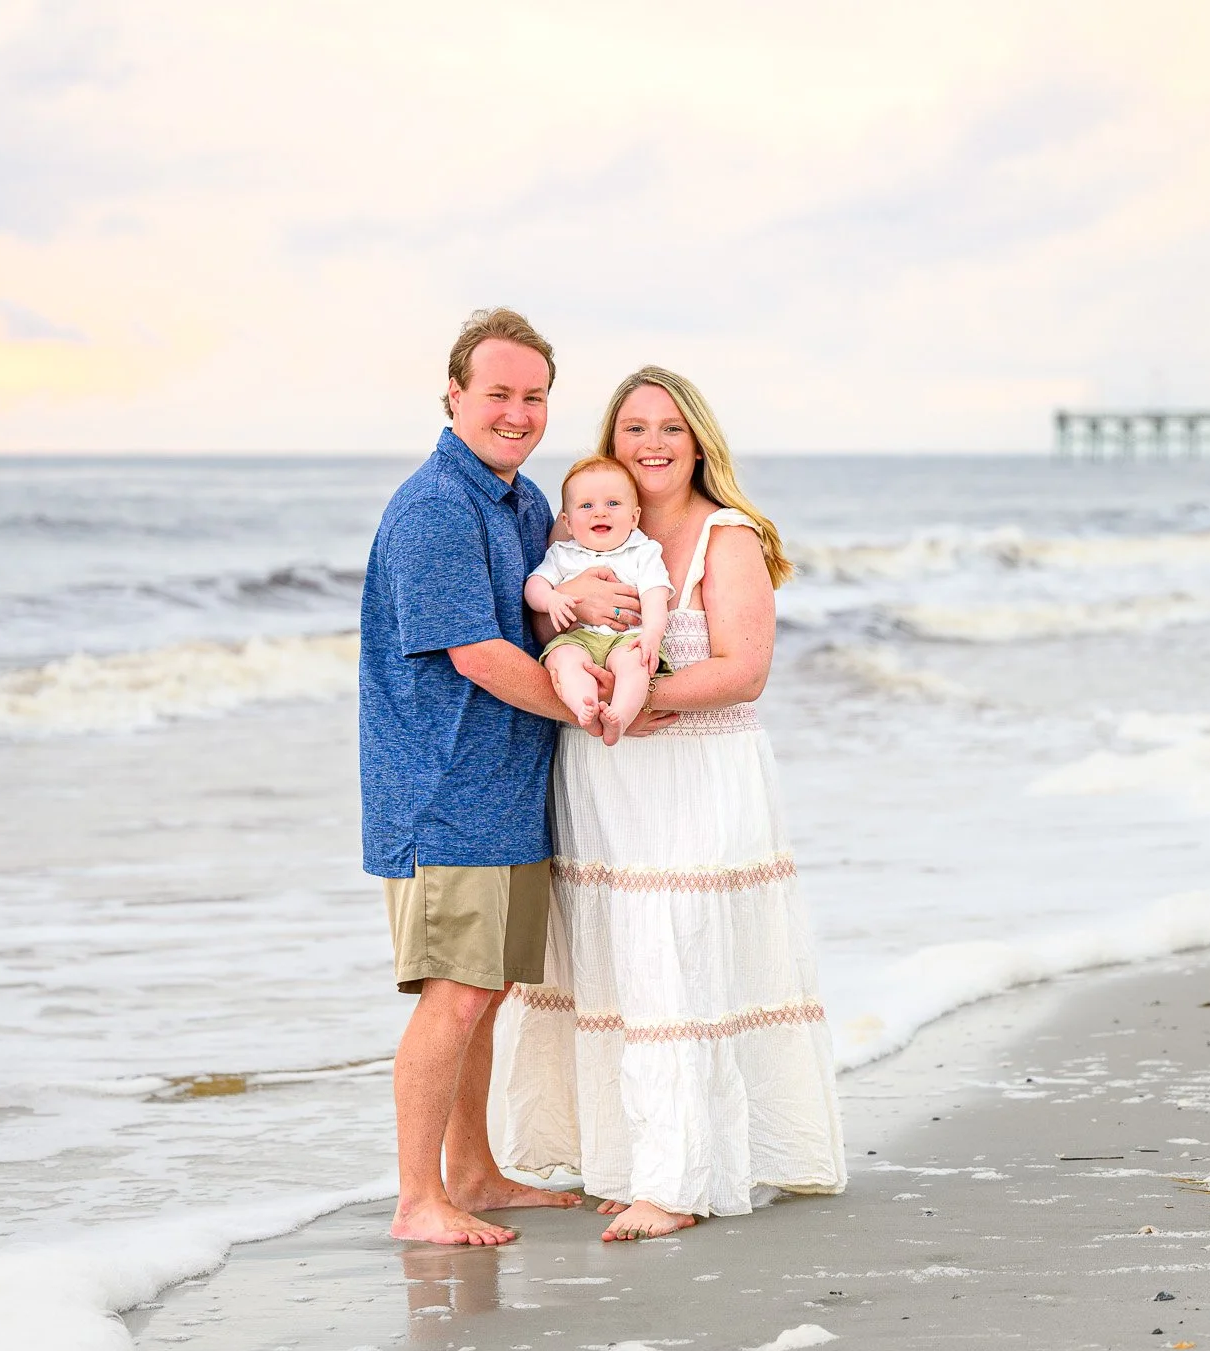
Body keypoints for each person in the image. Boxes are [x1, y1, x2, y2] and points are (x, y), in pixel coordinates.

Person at [497, 365, 848, 1241]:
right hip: (605, 772)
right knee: (617, 963)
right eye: (634, 428)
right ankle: (632, 1162)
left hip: (694, 767)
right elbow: (546, 631)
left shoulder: (726, 537)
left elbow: (746, 667)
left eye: (669, 428)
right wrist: (564, 616)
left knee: (679, 958)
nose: (651, 444)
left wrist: (651, 698)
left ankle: (682, 1177)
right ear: (609, 445)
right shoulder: (585, 531)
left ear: (698, 442)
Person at [357, 308, 632, 1246]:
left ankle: (472, 1169)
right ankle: (416, 1199)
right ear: (453, 395)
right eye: (497, 394)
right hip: (443, 793)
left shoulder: (517, 501)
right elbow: (476, 654)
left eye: (533, 397)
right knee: (456, 991)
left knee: (489, 989)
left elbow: (541, 607)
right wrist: (595, 712)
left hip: (509, 787)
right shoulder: (437, 506)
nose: (516, 413)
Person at [525, 456, 673, 744]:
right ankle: (585, 707)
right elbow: (534, 585)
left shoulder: (644, 552)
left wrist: (652, 635)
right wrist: (552, 599)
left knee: (636, 664)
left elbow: (656, 595)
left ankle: (620, 716)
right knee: (563, 659)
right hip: (578, 638)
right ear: (567, 522)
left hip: (626, 638)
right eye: (586, 506)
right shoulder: (562, 554)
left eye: (613, 504)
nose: (600, 513)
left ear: (634, 517)